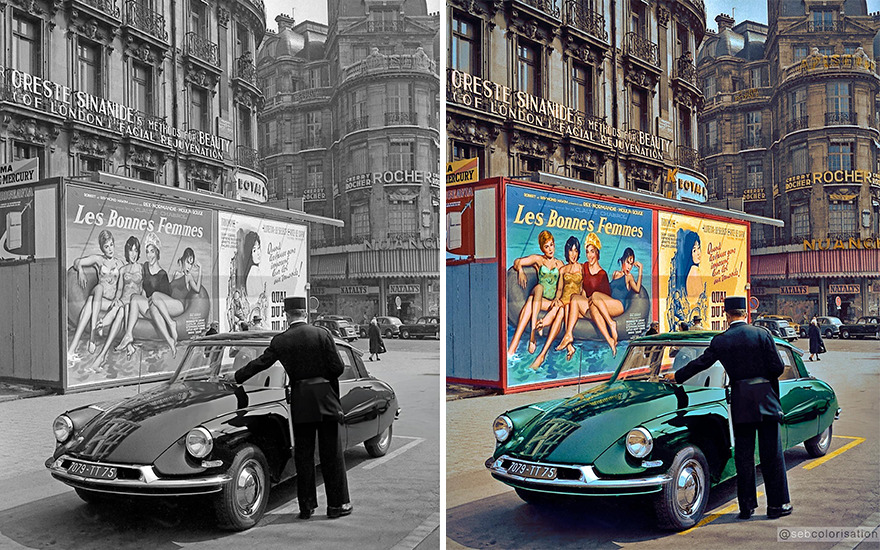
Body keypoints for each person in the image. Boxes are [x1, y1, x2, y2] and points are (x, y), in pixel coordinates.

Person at [665, 296, 791, 520]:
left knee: (744, 455)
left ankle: (747, 507)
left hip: (741, 401)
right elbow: (777, 367)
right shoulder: (762, 334)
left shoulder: (721, 340)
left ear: (727, 315)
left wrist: (677, 375)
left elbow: (701, 363)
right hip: (766, 400)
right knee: (772, 453)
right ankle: (777, 506)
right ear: (745, 313)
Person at [227, 297, 351, 520]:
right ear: (306, 313)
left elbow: (260, 363)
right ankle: (337, 505)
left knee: (303, 455)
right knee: (331, 452)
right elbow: (338, 368)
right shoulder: (322, 334)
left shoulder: (281, 340)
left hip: (301, 401)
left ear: (287, 315)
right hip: (325, 399)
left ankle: (306, 507)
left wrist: (237, 376)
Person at [67, 229, 125, 358]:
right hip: (100, 295)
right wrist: (80, 270)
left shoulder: (120, 264)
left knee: (89, 303)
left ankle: (72, 349)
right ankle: (92, 336)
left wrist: (117, 298)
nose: (110, 249)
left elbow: (124, 286)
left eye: (111, 245)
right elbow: (77, 262)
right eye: (106, 246)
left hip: (109, 302)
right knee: (98, 288)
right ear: (102, 248)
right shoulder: (98, 260)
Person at [528, 236, 583, 370]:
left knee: (563, 308)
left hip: (574, 303)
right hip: (564, 301)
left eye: (576, 251)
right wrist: (556, 299)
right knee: (560, 309)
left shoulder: (582, 268)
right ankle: (546, 352)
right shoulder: (562, 270)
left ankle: (543, 328)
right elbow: (559, 289)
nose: (573, 254)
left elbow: (583, 289)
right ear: (567, 252)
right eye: (571, 251)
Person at [507, 230, 564, 356]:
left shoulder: (559, 264)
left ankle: (513, 347)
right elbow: (517, 261)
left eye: (551, 245)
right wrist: (520, 270)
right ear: (542, 248)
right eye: (546, 246)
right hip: (539, 294)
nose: (550, 249)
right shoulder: (539, 260)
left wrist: (557, 298)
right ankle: (532, 334)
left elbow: (561, 287)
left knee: (529, 303)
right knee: (539, 288)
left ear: (554, 244)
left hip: (547, 302)